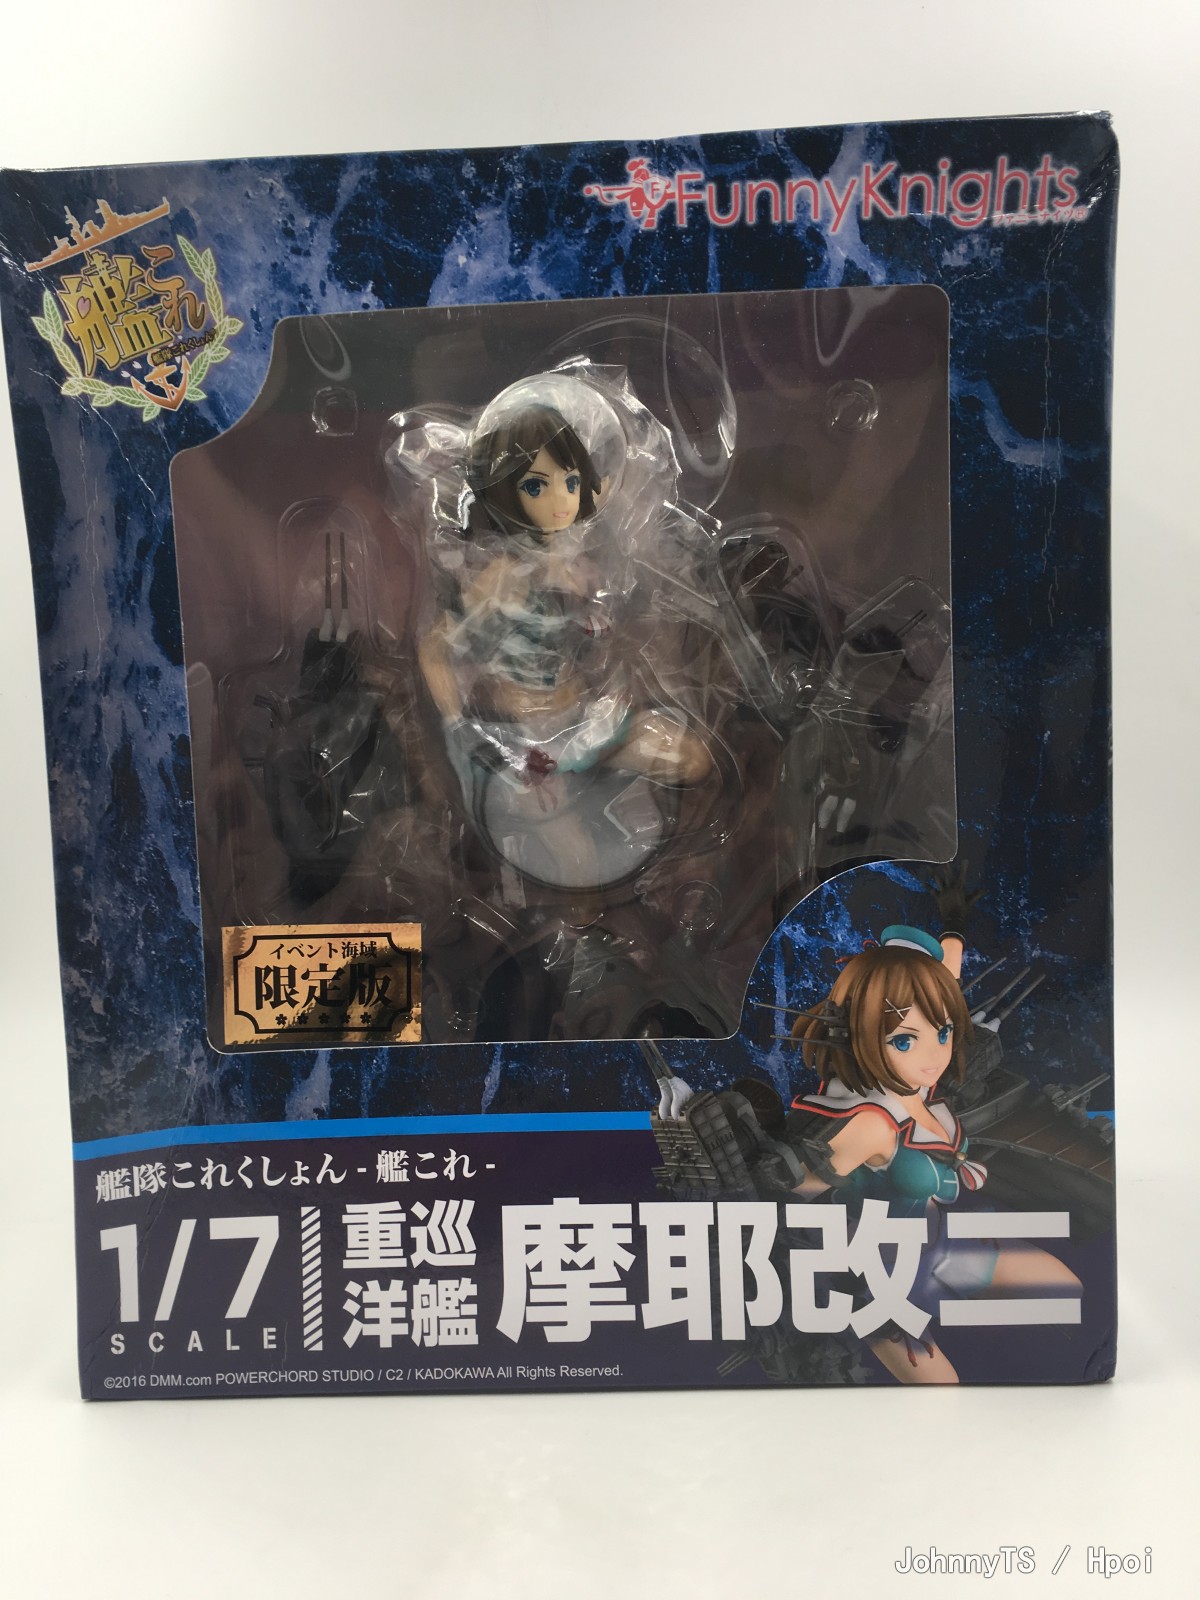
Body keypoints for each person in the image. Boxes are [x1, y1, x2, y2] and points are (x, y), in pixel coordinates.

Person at [787, 924, 1080, 1383]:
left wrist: (954, 931)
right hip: (879, 1281)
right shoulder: (871, 1123)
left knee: (1066, 1290)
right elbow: (784, 1198)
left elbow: (941, 988)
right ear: (857, 1034)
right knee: (943, 1392)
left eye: (942, 1033)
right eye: (904, 1040)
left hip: (942, 1246)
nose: (934, 1056)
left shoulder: (919, 1089)